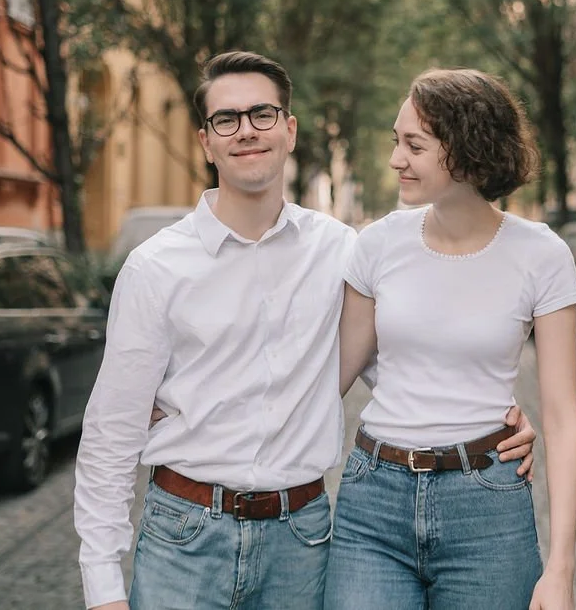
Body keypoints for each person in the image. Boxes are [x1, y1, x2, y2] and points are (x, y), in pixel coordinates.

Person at [73, 51, 538, 610]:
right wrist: (102, 587)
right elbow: (112, 431)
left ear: (289, 130)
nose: (246, 131)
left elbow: (402, 363)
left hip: (303, 540)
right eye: (227, 119)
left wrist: (490, 420)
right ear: (206, 141)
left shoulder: (343, 251)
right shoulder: (155, 267)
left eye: (262, 114)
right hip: (184, 538)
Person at [325, 68, 576, 610]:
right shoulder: (377, 244)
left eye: (414, 145)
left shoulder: (542, 255)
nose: (397, 158)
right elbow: (327, 378)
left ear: (468, 151)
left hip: (488, 507)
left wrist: (559, 570)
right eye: (396, 141)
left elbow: (563, 415)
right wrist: (190, 398)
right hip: (374, 500)